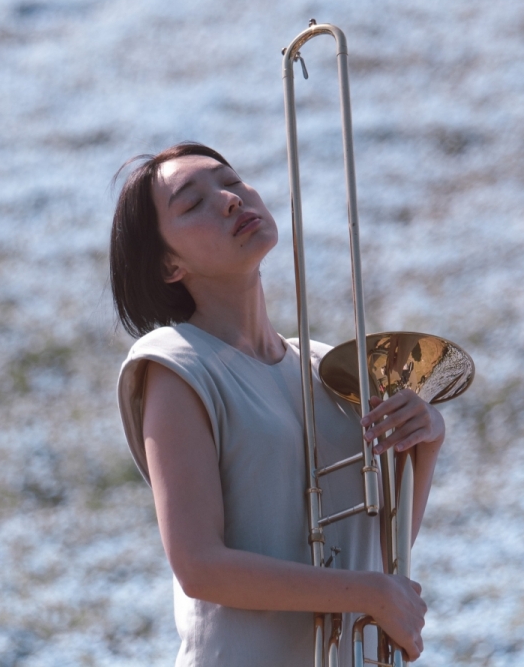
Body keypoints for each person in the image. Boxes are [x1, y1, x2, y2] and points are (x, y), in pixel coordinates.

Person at [111, 142, 445, 667]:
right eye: (192, 203)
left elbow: (377, 554)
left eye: (233, 181)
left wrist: (425, 444)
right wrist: (367, 593)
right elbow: (200, 567)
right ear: (169, 265)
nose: (228, 200)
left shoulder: (325, 367)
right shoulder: (173, 364)